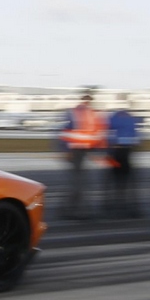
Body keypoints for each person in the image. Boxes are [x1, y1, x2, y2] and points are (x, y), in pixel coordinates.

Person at [58, 90, 106, 220]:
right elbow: (97, 134)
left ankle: (71, 208)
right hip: (78, 150)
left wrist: (65, 150)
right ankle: (72, 209)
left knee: (78, 181)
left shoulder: (76, 112)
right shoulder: (90, 114)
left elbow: (64, 133)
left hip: (79, 150)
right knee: (79, 182)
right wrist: (98, 151)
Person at [105, 94, 142, 218]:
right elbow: (136, 136)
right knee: (127, 179)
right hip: (128, 151)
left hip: (116, 151)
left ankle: (113, 206)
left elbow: (108, 132)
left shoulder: (114, 117)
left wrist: (108, 149)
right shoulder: (131, 118)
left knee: (114, 179)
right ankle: (130, 207)